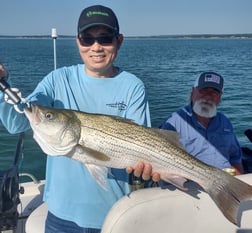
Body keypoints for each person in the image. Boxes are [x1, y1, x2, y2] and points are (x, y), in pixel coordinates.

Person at [0, 5, 160, 233]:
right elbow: (17, 122)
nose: (96, 47)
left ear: (119, 40)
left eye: (105, 38)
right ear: (78, 41)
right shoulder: (57, 80)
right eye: (87, 39)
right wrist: (1, 86)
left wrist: (145, 167)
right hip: (60, 216)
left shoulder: (132, 86)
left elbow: (142, 146)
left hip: (114, 215)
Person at [160, 71, 244, 175]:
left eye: (214, 93)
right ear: (192, 91)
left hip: (226, 180)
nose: (208, 97)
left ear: (220, 97)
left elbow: (235, 158)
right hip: (190, 185)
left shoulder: (225, 122)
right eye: (203, 90)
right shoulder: (174, 122)